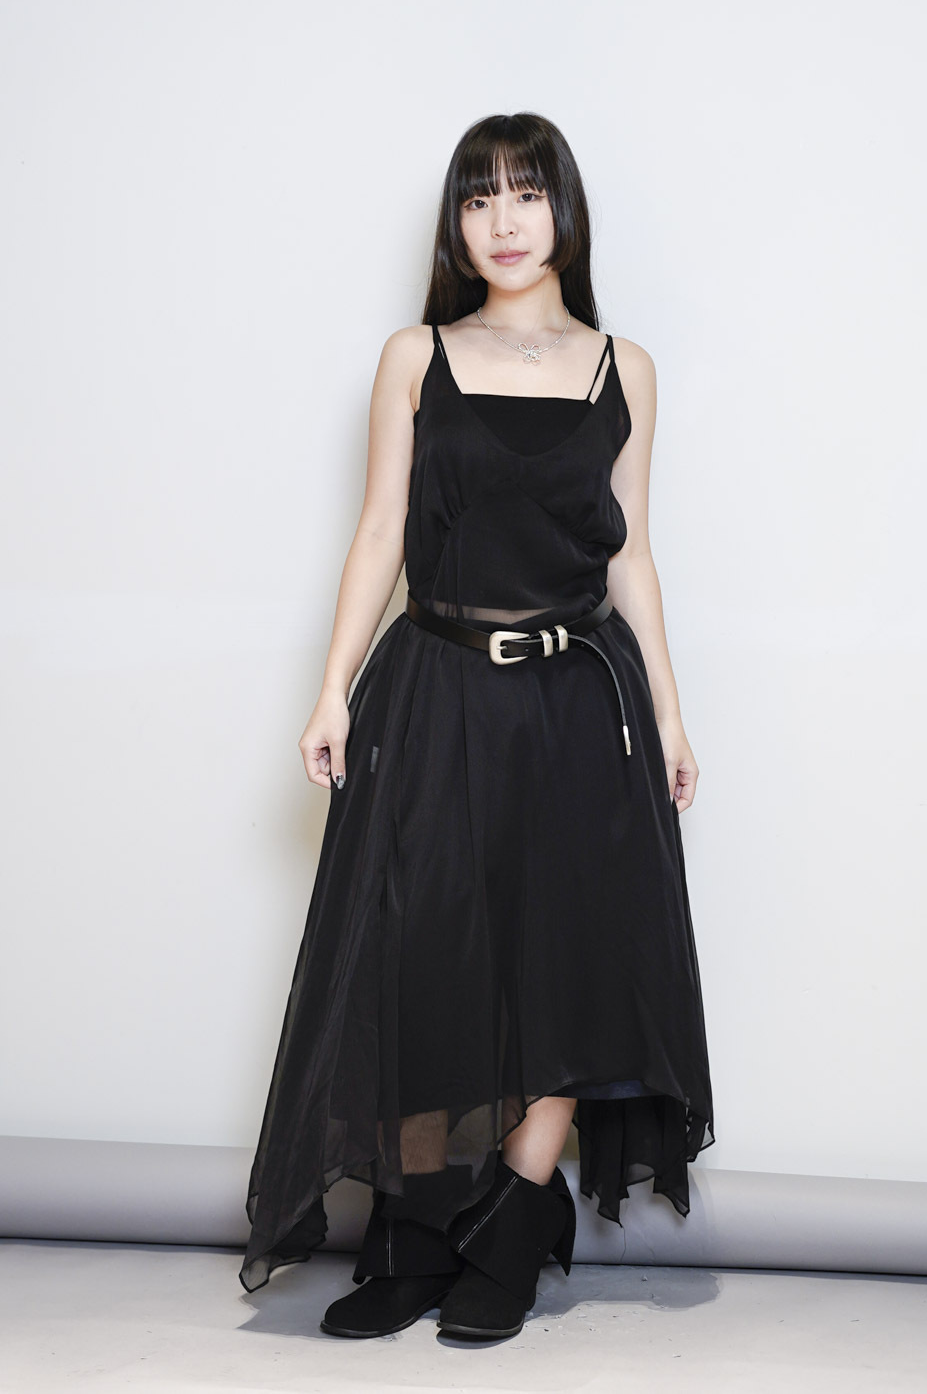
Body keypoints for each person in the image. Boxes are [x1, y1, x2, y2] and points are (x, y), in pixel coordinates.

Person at [238, 112, 715, 1343]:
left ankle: (512, 1219)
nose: (504, 221)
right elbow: (380, 530)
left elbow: (633, 555)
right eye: (478, 197)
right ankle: (413, 1229)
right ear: (456, 224)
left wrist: (669, 715)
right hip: (435, 690)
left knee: (571, 959)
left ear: (565, 212)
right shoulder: (416, 356)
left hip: (579, 705)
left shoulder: (624, 367)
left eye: (526, 193)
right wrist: (332, 686)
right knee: (422, 957)